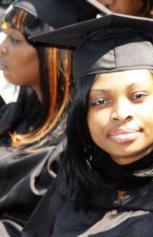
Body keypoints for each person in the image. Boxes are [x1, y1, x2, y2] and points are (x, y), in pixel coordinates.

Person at [21, 14, 153, 236]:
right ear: (81, 113)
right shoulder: (75, 176)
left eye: (137, 96)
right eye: (100, 101)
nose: (121, 114)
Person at [0, 0, 98, 235]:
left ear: (54, 52)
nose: (2, 47)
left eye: (15, 40)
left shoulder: (76, 145)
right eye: (6, 36)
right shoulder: (11, 117)